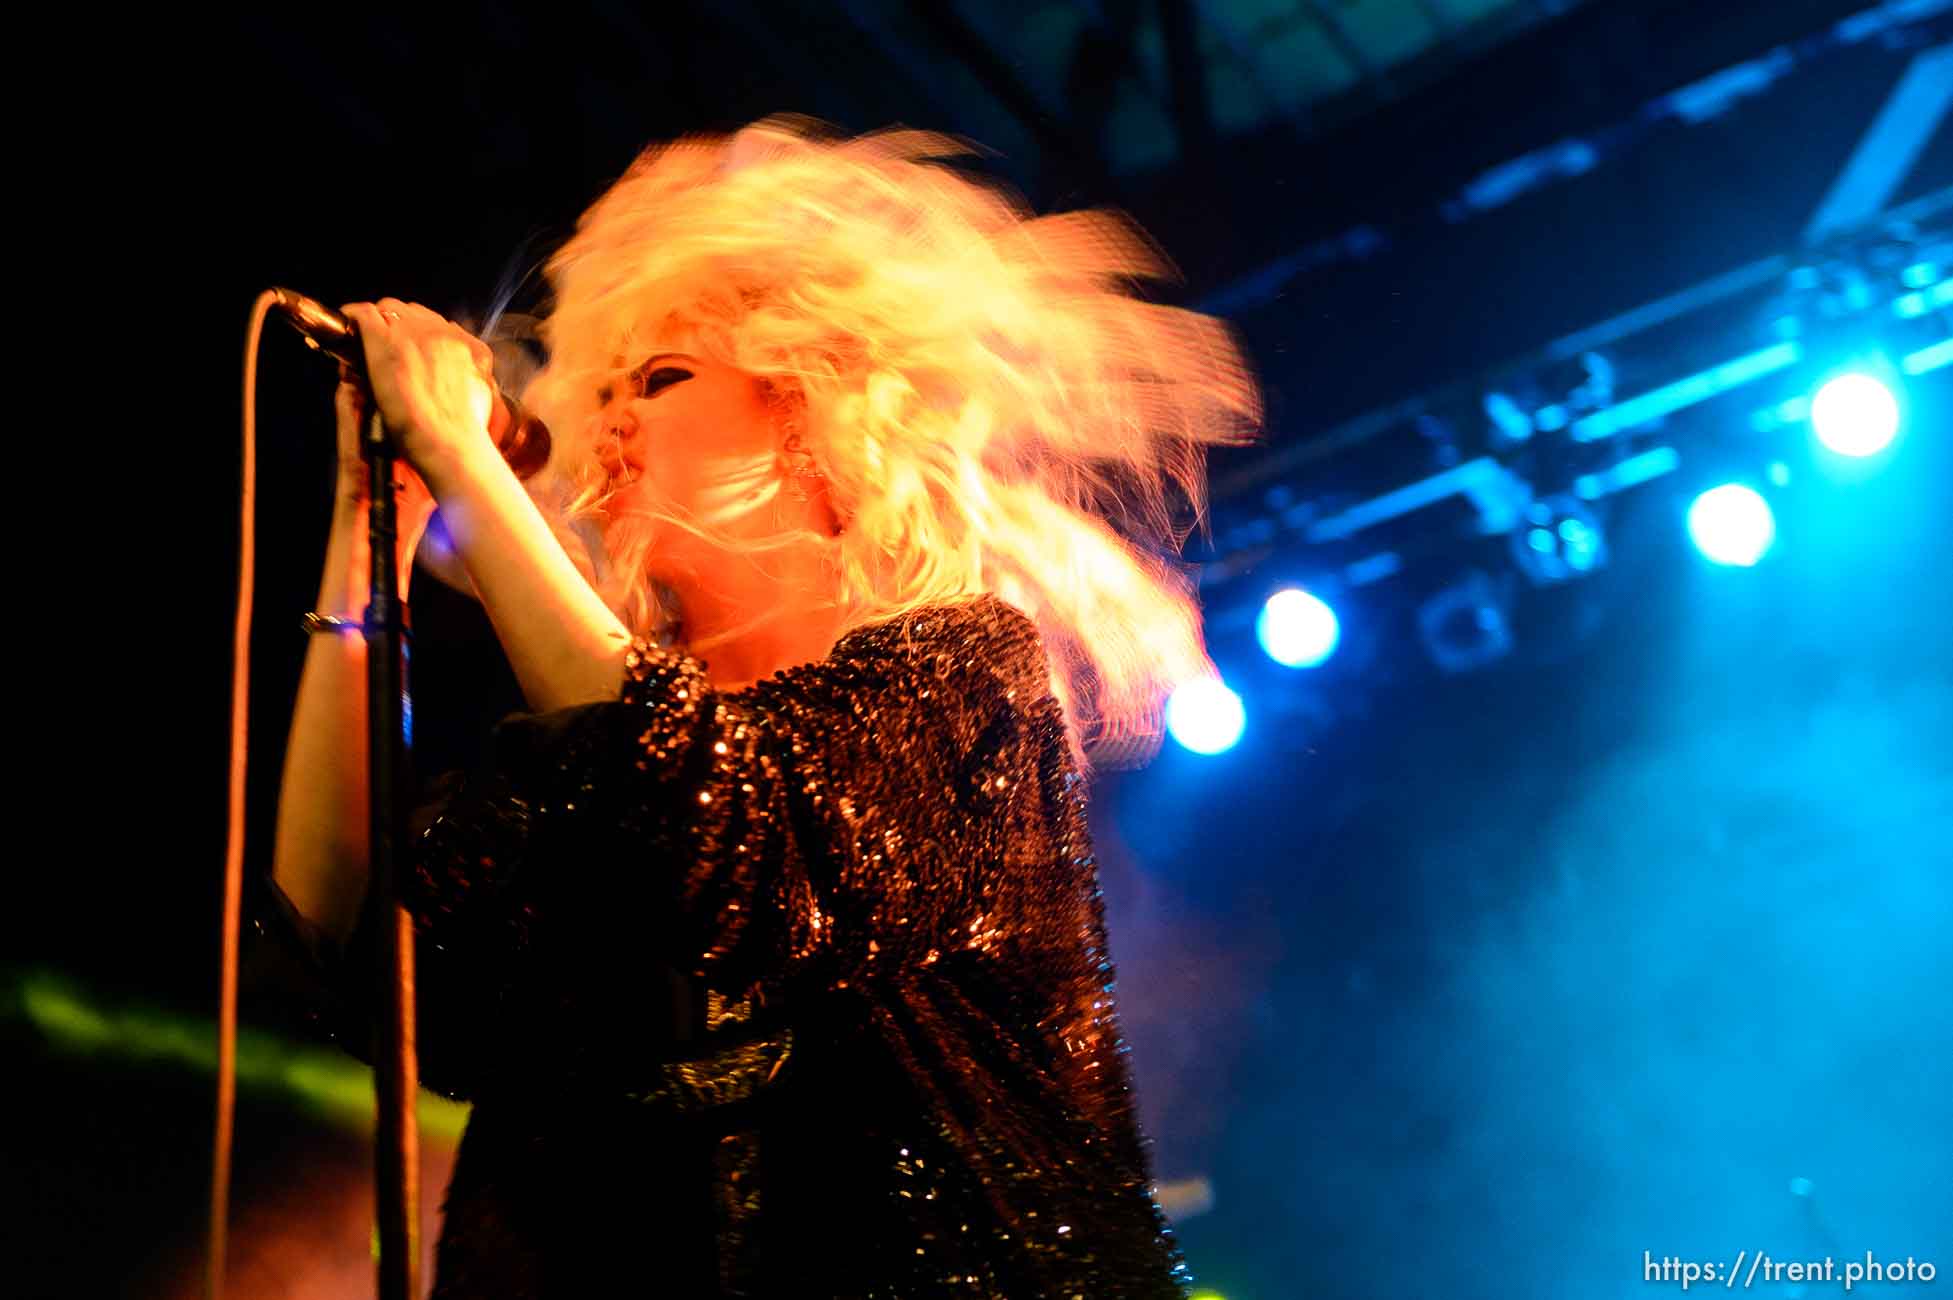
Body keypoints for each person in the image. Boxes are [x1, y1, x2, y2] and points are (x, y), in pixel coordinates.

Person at [262, 115, 1259, 1298]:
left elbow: (720, 816)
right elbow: (354, 949)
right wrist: (361, 524)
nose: (607, 422)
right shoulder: (579, 768)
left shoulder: (962, 671)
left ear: (812, 416)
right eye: (607, 389)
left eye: (663, 378)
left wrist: (474, 467)